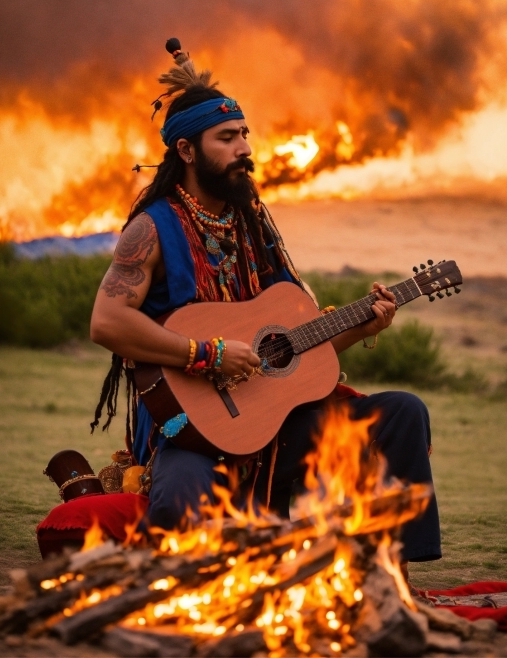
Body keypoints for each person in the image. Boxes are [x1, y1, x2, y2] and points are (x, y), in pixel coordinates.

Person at [90, 41, 441, 566]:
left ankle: (393, 578)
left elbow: (297, 350)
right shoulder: (152, 227)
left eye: (245, 135)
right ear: (186, 151)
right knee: (179, 508)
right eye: (227, 138)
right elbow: (107, 321)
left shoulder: (254, 223)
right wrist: (206, 354)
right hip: (192, 430)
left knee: (402, 413)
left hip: (276, 424)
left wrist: (366, 323)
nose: (244, 148)